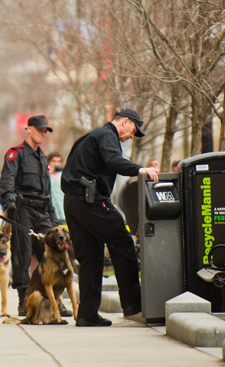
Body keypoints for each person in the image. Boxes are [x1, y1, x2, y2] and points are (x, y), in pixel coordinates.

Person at [61, 108, 159, 327]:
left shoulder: (89, 136)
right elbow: (114, 161)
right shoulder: (108, 135)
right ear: (124, 122)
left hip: (74, 202)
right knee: (123, 242)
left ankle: (87, 314)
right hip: (92, 200)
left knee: (91, 258)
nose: (131, 137)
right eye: (133, 131)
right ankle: (134, 304)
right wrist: (139, 169)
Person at [0, 115, 69, 317]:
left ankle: (55, 299)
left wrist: (53, 219)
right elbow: (7, 178)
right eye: (39, 129)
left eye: (45, 130)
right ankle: (23, 299)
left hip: (43, 210)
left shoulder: (43, 158)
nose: (43, 133)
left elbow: (46, 190)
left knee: (53, 254)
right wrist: (10, 198)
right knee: (23, 253)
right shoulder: (16, 154)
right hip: (23, 209)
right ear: (28, 129)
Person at [47, 152, 66, 225]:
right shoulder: (46, 175)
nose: (56, 164)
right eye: (54, 161)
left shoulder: (63, 175)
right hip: (50, 213)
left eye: (58, 162)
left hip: (63, 212)